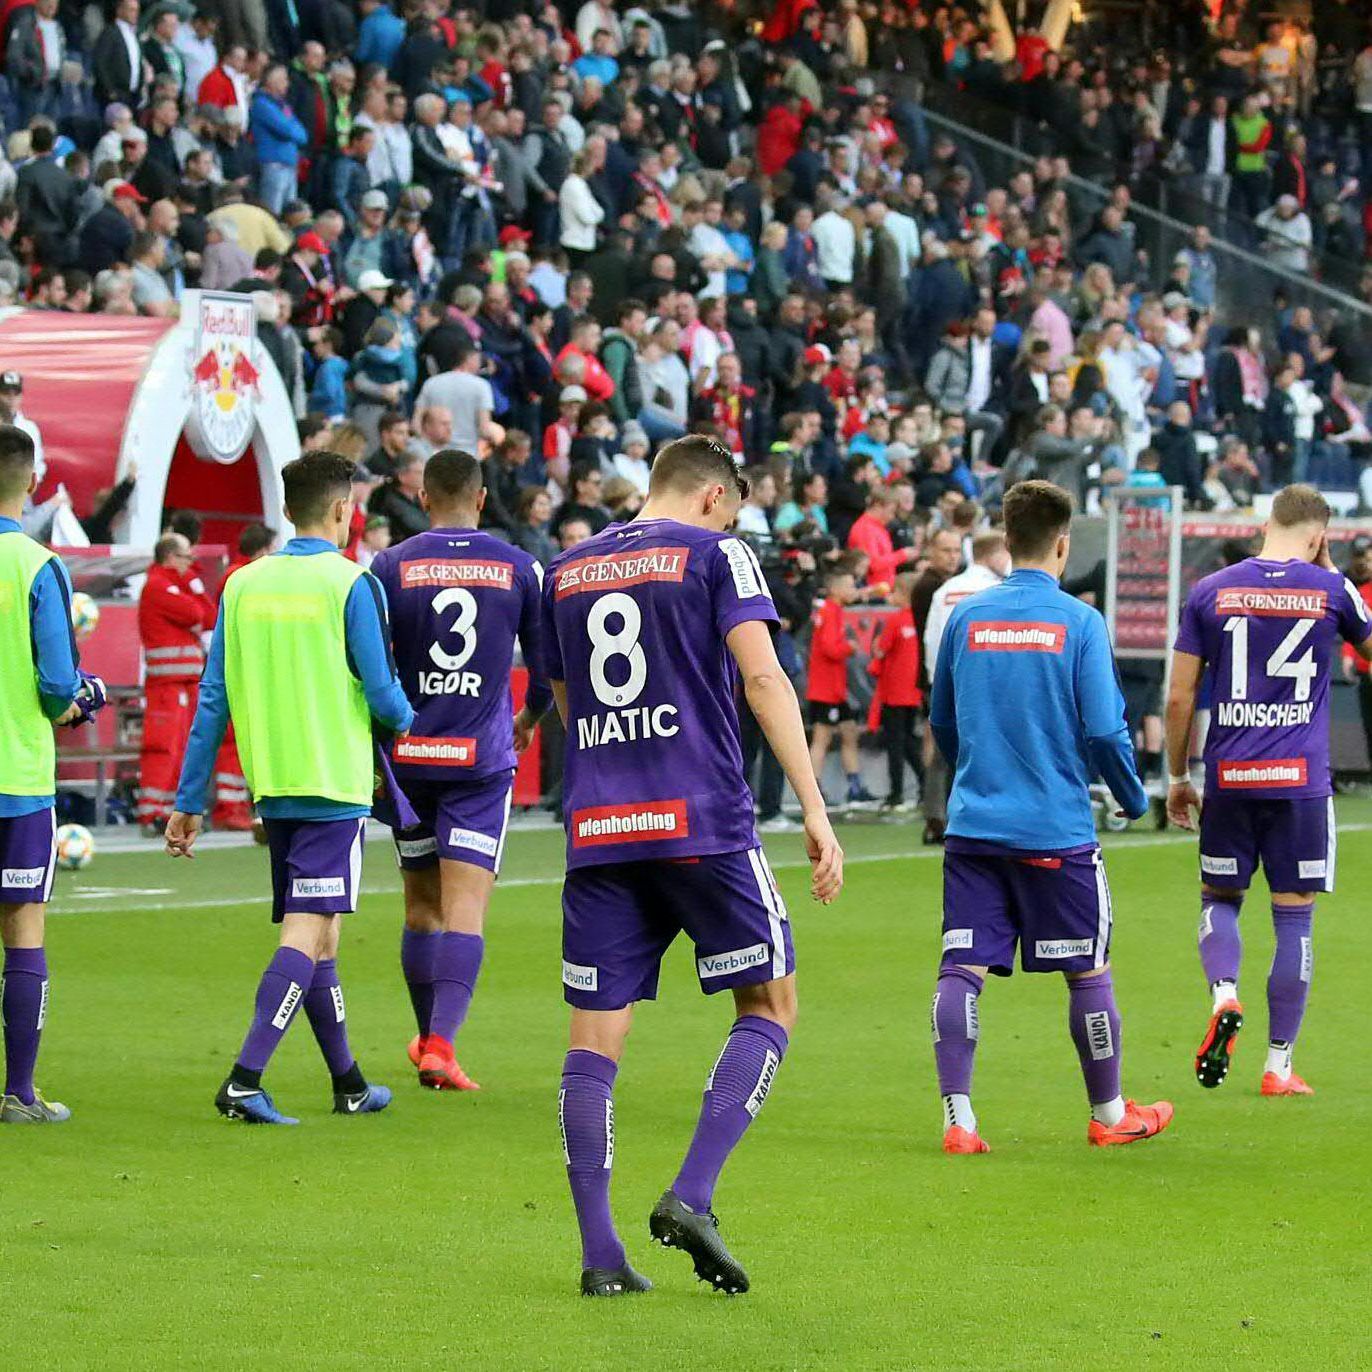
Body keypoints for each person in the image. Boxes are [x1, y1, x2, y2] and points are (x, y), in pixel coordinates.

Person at [541, 435, 842, 1297]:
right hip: (701, 820)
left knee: (593, 1038)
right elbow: (763, 679)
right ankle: (692, 1193)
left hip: (601, 825)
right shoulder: (721, 554)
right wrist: (814, 807)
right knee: (771, 1003)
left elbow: (566, 699)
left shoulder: (564, 569)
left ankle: (601, 1256)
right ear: (714, 496)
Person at [165, 452, 415, 1124]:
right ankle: (245, 1078)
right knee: (307, 932)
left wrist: (188, 800)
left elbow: (211, 698)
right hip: (332, 781)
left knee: (322, 937)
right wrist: (410, 718)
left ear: (285, 509)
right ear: (344, 510)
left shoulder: (242, 585)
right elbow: (384, 693)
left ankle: (350, 1083)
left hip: (273, 783)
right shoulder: (350, 583)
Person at [928, 480, 1167, 1153]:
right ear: (1063, 544)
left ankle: (959, 1120)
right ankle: (1110, 1112)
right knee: (1086, 970)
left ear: (1007, 540)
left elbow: (943, 720)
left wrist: (977, 774)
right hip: (1054, 828)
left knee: (961, 968)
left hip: (975, 825)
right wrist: (1131, 794)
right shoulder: (1080, 623)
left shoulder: (968, 618)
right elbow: (1105, 730)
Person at [1165, 485, 1372, 1097]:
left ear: (1267, 524)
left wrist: (1178, 777)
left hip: (1231, 775)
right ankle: (1279, 1065)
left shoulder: (1211, 590)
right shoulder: (1332, 590)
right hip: (1301, 782)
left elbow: (1179, 696)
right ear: (1319, 536)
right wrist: (1336, 575)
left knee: (1220, 898)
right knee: (1295, 921)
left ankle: (1224, 995)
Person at [371, 449, 550, 1092]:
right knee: (466, 909)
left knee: (422, 910)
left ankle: (426, 1039)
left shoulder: (390, 565)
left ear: (423, 498)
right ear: (481, 499)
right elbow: (546, 661)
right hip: (478, 764)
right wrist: (530, 716)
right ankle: (441, 1046)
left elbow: (371, 662)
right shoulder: (518, 566)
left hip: (410, 759)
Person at [0, 424, 106, 1122]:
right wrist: (83, 695)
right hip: (18, 777)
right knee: (24, 924)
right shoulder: (38, 566)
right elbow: (55, 687)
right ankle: (20, 1092)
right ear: (32, 481)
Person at [136, 531, 215, 835]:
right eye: (186, 558)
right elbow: (195, 612)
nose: (190, 565)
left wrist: (190, 581)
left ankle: (168, 810)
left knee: (182, 748)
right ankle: (151, 813)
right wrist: (189, 586)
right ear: (170, 557)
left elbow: (208, 616)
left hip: (184, 682)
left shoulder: (175, 584)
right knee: (163, 747)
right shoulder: (157, 586)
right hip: (166, 684)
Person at [805, 561, 873, 805]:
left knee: (849, 732)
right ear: (836, 589)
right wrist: (850, 647)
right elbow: (830, 649)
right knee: (822, 738)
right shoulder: (830, 611)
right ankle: (813, 791)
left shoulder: (832, 610)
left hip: (834, 688)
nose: (854, 589)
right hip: (826, 690)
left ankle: (855, 786)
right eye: (850, 585)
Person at [868, 570, 922, 815]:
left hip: (894, 692)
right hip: (914, 692)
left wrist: (875, 646)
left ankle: (896, 792)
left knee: (895, 743)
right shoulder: (920, 619)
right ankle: (923, 785)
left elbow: (880, 650)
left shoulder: (897, 620)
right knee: (909, 740)